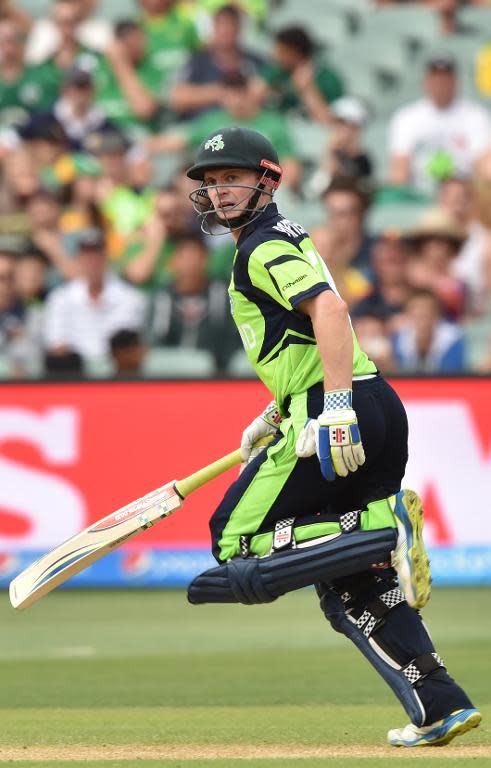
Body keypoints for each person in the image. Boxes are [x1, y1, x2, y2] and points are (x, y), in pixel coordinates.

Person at [184, 125, 480, 747]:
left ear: (267, 180)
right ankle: (440, 703)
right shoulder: (284, 236)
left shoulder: (259, 247)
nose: (220, 192)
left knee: (234, 542)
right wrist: (277, 409)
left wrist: (332, 407)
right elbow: (300, 338)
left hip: (338, 410)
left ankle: (380, 524)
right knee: (351, 586)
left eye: (233, 178)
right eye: (211, 183)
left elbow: (331, 311)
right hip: (362, 403)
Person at [388, 54, 491, 194]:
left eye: (445, 79)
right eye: (436, 79)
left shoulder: (476, 116)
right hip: (421, 192)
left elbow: (484, 162)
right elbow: (400, 166)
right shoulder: (407, 117)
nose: (441, 84)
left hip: (465, 193)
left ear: (455, 82)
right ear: (426, 82)